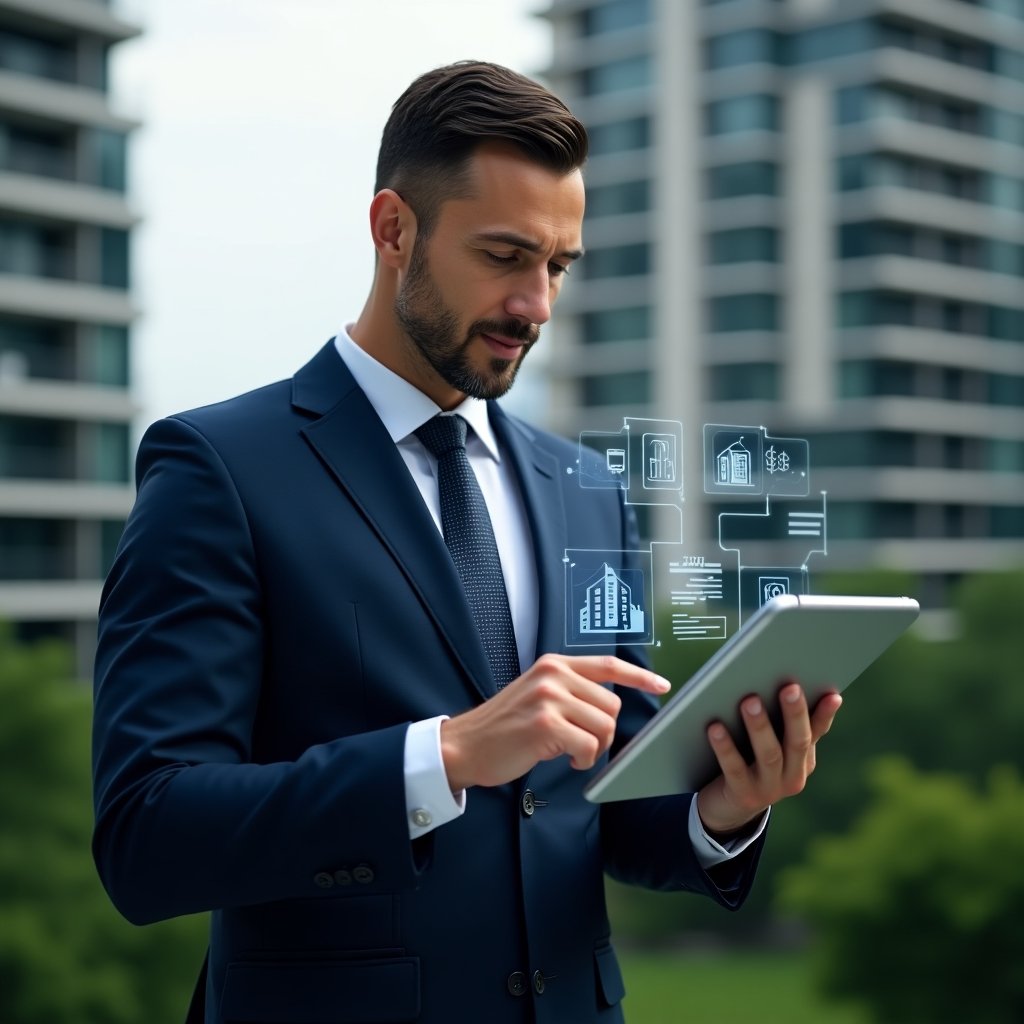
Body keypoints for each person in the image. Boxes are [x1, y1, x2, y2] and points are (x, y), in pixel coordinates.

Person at [92, 61, 841, 1024]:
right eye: (504, 256)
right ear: (393, 229)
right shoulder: (218, 469)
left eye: (558, 266)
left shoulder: (586, 488)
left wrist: (724, 808)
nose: (537, 304)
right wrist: (440, 757)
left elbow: (596, 799)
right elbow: (148, 834)